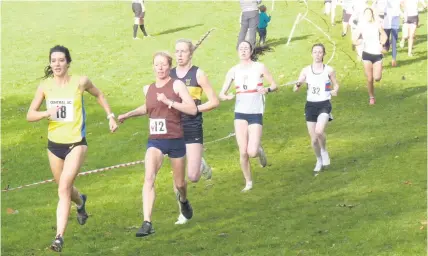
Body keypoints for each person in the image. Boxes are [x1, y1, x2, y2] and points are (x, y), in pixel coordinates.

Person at [26, 45, 118, 252]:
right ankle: (81, 202)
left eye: (61, 60)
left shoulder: (80, 82)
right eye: (53, 60)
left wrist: (110, 116)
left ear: (68, 62)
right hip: (54, 145)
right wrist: (45, 113)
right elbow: (30, 115)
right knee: (66, 189)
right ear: (50, 63)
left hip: (76, 143)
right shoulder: (45, 86)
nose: (57, 64)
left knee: (62, 189)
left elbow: (99, 95)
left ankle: (59, 237)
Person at [118, 51, 197, 237]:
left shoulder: (176, 85)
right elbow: (147, 108)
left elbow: (192, 109)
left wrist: (169, 102)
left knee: (179, 184)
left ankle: (184, 201)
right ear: (152, 66)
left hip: (175, 139)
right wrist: (127, 115)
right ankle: (147, 222)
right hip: (156, 141)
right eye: (157, 64)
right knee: (149, 178)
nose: (160, 67)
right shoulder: (149, 89)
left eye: (163, 64)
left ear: (169, 67)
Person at [170, 39, 220, 224]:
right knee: (178, 175)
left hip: (192, 124)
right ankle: (182, 212)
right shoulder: (169, 74)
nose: (180, 55)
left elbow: (214, 101)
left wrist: (195, 109)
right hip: (174, 126)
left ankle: (199, 162)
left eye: (183, 51)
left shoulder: (198, 74)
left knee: (193, 177)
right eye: (177, 51)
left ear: (191, 53)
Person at [219, 41, 277, 192]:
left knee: (251, 152)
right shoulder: (233, 71)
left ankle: (258, 150)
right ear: (237, 51)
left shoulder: (259, 67)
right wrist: (226, 96)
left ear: (251, 51)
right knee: (243, 151)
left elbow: (274, 85)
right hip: (240, 114)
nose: (243, 51)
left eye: (246, 48)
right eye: (241, 49)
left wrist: (267, 90)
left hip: (255, 113)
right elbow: (221, 93)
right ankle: (248, 182)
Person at [293, 44, 339, 176]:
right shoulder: (306, 70)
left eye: (320, 52)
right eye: (315, 52)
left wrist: (335, 90)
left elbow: (335, 84)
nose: (317, 54)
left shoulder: (329, 70)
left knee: (319, 131)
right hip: (310, 105)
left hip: (324, 104)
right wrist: (298, 84)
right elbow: (297, 87)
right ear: (311, 54)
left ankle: (324, 151)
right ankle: (318, 160)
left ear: (324, 54)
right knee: (313, 139)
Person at [353, 7, 388, 105]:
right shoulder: (361, 26)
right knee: (369, 78)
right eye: (366, 14)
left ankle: (379, 69)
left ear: (372, 15)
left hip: (377, 53)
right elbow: (354, 40)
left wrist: (382, 43)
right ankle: (371, 97)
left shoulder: (377, 25)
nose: (368, 15)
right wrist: (358, 42)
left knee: (377, 78)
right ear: (364, 16)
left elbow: (384, 35)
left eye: (369, 13)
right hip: (366, 54)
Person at [383, 0, 402, 66]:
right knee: (385, 41)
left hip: (395, 22)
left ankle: (394, 59)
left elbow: (400, 7)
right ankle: (386, 47)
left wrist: (401, 14)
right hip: (387, 22)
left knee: (394, 41)